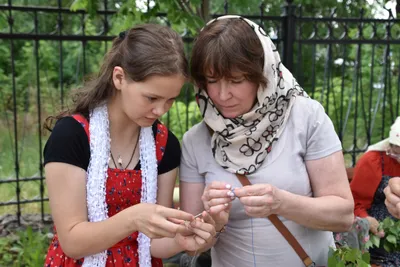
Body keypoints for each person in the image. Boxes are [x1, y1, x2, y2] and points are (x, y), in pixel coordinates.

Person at [179, 15, 354, 267]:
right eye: (212, 81)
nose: (222, 94)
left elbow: (344, 216)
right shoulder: (196, 140)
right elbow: (194, 243)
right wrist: (214, 223)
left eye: (236, 80)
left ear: (262, 73)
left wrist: (282, 203)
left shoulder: (306, 117)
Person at [43, 24, 216, 267]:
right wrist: (134, 219)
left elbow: (155, 244)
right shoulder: (72, 136)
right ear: (119, 78)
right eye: (152, 98)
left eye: (170, 100)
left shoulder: (165, 144)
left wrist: (185, 240)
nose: (159, 111)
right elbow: (72, 242)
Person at [351, 117, 400, 266]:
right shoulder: (374, 160)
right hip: (379, 234)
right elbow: (354, 201)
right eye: (396, 154)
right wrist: (366, 219)